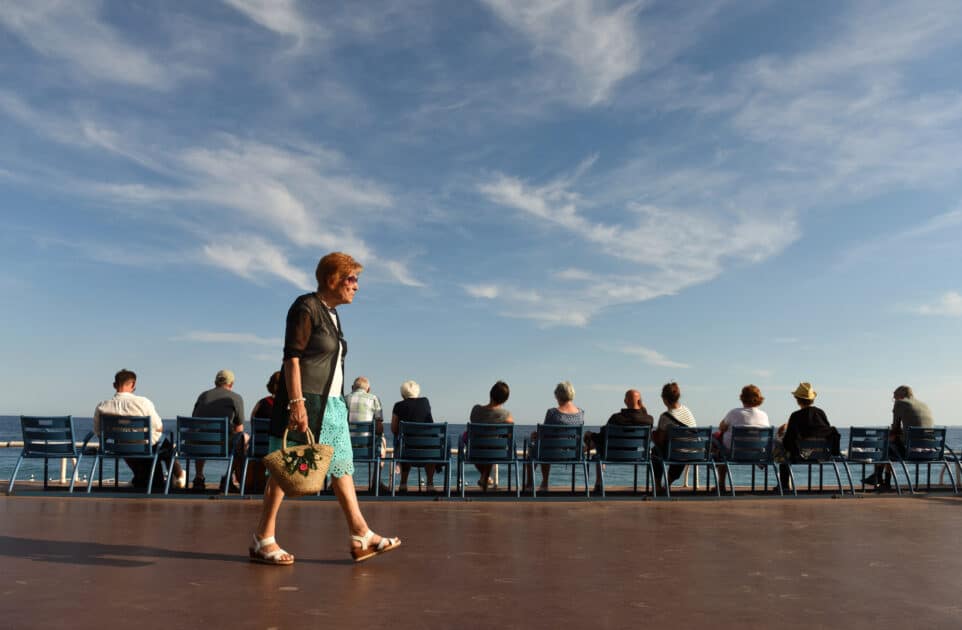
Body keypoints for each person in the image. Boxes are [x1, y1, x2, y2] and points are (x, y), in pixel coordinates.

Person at [250, 252, 400, 565]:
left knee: (342, 466)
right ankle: (263, 539)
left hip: (333, 404)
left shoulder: (332, 314)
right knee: (285, 467)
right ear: (333, 278)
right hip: (307, 401)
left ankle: (360, 534)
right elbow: (292, 358)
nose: (356, 286)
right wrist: (296, 402)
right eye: (352, 279)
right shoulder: (306, 307)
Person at [93, 369, 185, 490]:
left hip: (119, 448)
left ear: (114, 385)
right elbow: (159, 427)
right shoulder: (143, 402)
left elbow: (98, 432)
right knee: (165, 446)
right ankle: (179, 475)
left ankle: (139, 477)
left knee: (129, 444)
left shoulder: (102, 406)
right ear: (133, 385)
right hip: (145, 446)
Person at [863, 385, 934, 488]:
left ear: (900, 396)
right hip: (930, 451)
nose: (894, 400)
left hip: (910, 451)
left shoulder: (900, 403)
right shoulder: (924, 405)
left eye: (894, 397)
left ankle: (878, 477)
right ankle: (884, 481)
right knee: (889, 446)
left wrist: (889, 434)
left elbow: (895, 427)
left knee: (883, 443)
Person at [584, 389, 653, 492]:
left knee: (598, 443)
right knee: (599, 443)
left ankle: (599, 482)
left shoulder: (616, 418)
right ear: (639, 401)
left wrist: (590, 434)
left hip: (612, 454)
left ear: (625, 401)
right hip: (637, 455)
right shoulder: (648, 420)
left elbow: (602, 437)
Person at [190, 369, 245, 491]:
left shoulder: (203, 396)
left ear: (215, 382)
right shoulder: (236, 398)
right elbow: (239, 428)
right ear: (231, 384)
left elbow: (194, 420)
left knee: (201, 435)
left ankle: (199, 477)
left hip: (198, 445)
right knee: (241, 439)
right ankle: (228, 479)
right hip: (222, 446)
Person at [777, 382, 839, 491]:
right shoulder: (821, 413)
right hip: (821, 454)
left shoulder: (795, 416)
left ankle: (785, 486)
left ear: (797, 399)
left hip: (801, 455)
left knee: (782, 454)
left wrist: (781, 437)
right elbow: (826, 433)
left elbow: (788, 441)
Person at [525, 381, 584, 491]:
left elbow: (544, 435)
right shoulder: (580, 413)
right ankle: (543, 483)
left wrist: (535, 435)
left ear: (558, 395)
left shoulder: (553, 413)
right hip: (573, 453)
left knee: (538, 448)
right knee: (546, 446)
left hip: (552, 452)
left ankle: (533, 484)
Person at [715, 384, 770, 494]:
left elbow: (722, 427)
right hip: (757, 454)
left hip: (733, 453)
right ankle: (758, 462)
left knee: (718, 443)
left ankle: (721, 484)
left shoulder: (734, 413)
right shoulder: (764, 415)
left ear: (742, 397)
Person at [467, 380, 515, 491]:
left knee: (481, 443)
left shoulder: (476, 410)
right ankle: (485, 477)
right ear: (505, 399)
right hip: (498, 452)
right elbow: (509, 432)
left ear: (490, 393)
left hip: (475, 450)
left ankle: (485, 477)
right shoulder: (506, 415)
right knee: (492, 444)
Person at [651, 382, 697, 494]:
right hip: (694, 452)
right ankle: (668, 484)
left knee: (656, 452)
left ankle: (657, 486)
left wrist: (652, 436)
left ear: (664, 399)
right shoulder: (687, 410)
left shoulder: (665, 417)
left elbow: (660, 441)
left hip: (678, 453)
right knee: (680, 451)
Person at [391, 380, 436, 491]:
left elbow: (393, 429)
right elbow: (430, 424)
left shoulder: (398, 405)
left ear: (402, 394)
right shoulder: (425, 402)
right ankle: (430, 484)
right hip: (427, 451)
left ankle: (403, 484)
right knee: (431, 446)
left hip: (406, 450)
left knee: (402, 443)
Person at [346, 376, 386, 490]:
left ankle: (339, 482)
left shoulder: (344, 399)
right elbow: (379, 428)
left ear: (352, 388)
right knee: (382, 442)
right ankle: (376, 482)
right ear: (368, 389)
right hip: (368, 447)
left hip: (347, 446)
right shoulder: (374, 399)